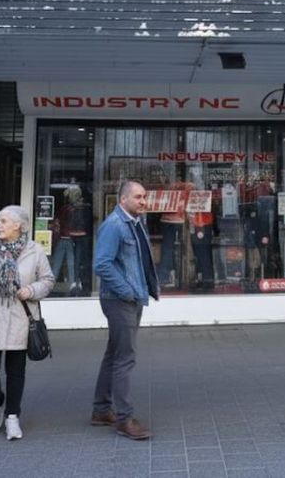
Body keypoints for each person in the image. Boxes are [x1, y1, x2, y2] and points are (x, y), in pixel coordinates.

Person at [0, 205, 54, 440]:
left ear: (18, 225)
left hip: (19, 319)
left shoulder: (34, 252)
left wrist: (31, 290)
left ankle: (12, 416)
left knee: (16, 371)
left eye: (3, 221)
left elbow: (48, 280)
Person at [91, 180, 160, 440]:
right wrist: (127, 291)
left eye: (144, 196)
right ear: (123, 200)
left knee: (114, 354)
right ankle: (124, 419)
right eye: (138, 197)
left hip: (130, 298)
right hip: (120, 301)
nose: (143, 201)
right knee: (125, 359)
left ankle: (100, 410)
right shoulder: (115, 225)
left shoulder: (134, 222)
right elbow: (102, 264)